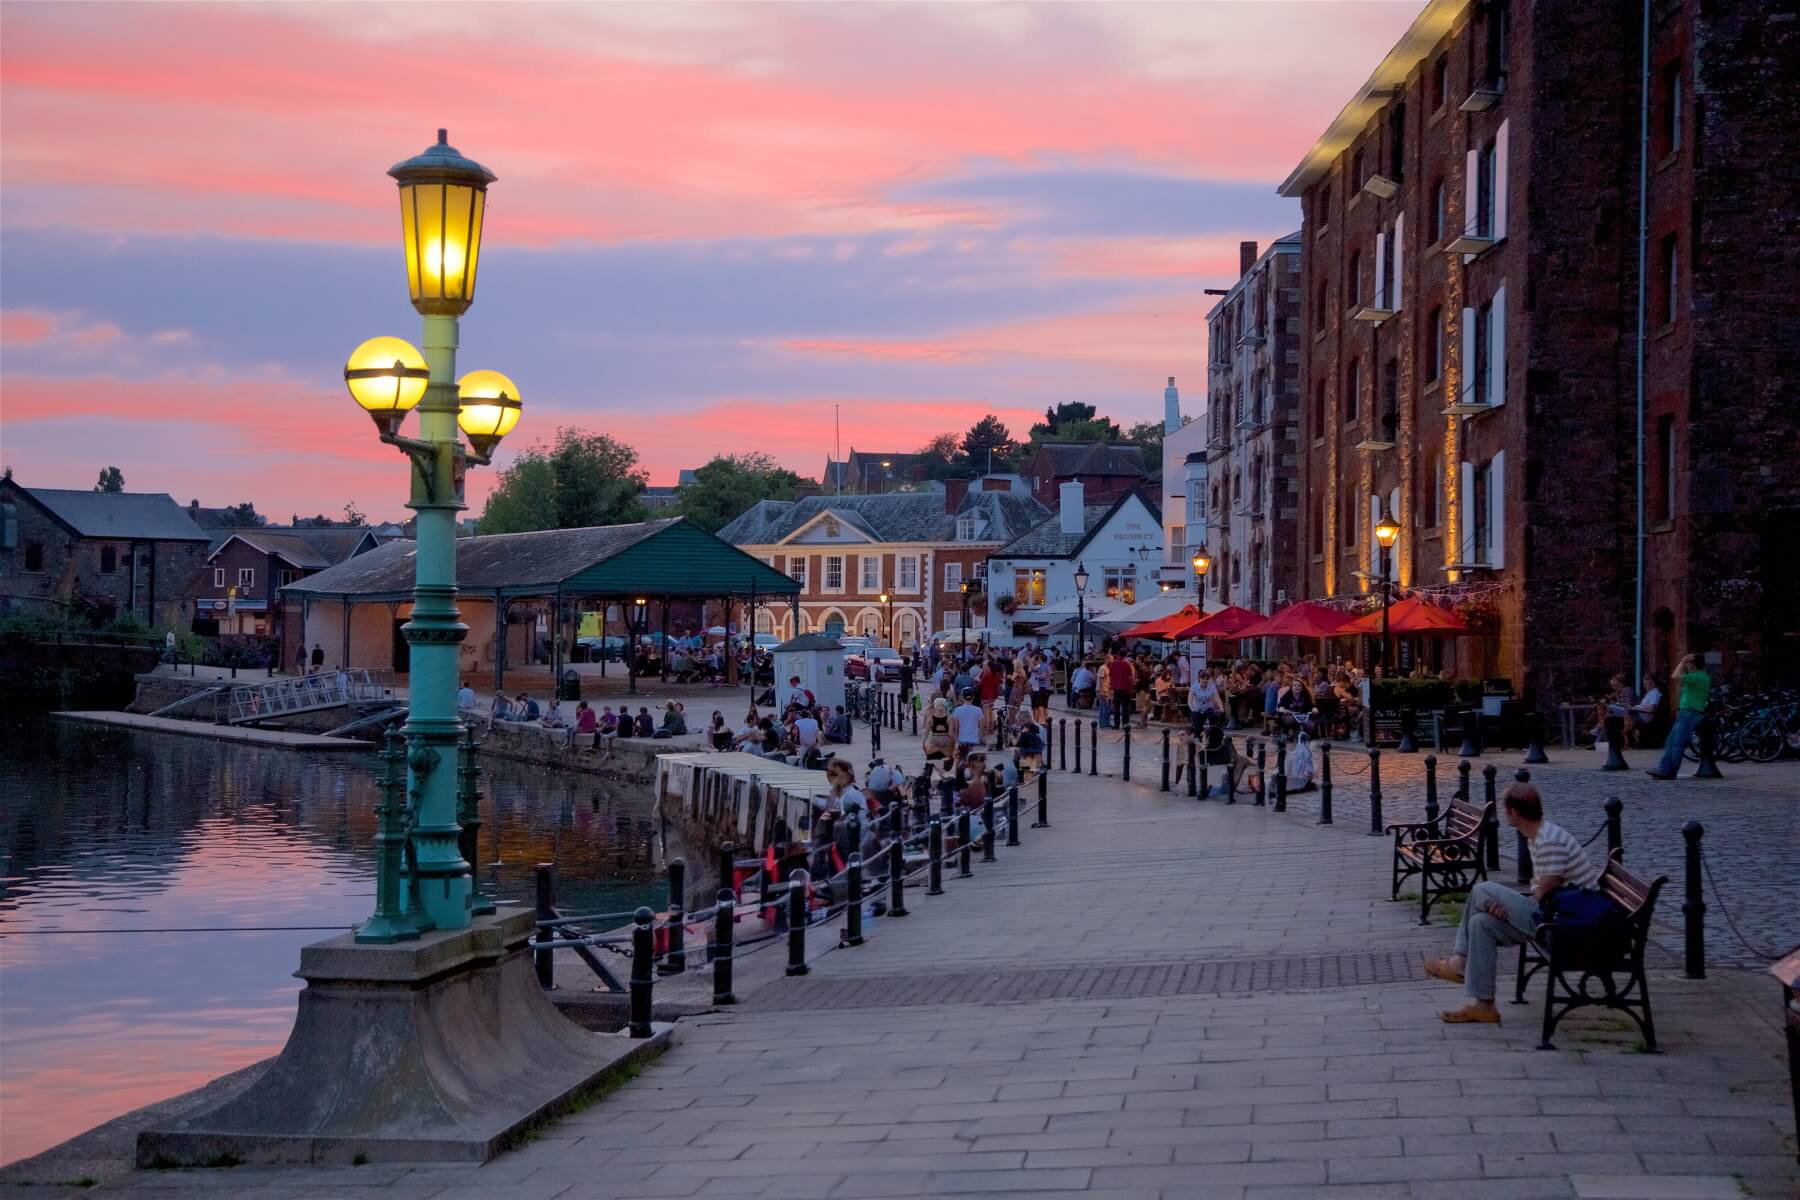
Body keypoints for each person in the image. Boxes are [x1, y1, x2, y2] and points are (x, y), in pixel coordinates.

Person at [1425, 783, 1601, 1025]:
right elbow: (1538, 887)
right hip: (1555, 913)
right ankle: (1484, 1006)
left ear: (1515, 813)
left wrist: (1510, 903)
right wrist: (1502, 907)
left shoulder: (1549, 840)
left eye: (1505, 809)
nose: (1504, 814)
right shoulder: (1537, 836)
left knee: (1481, 889)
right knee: (1481, 923)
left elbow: (1542, 892)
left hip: (1565, 924)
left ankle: (1459, 962)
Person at [1648, 655, 1710, 779]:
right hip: (1686, 712)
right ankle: (1664, 769)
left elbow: (1675, 676)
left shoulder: (1698, 676)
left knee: (1677, 743)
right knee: (1671, 741)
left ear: (1692, 663)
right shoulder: (1698, 677)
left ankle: (1669, 771)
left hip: (1690, 713)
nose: (1686, 665)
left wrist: (1682, 661)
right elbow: (1680, 680)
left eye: (1688, 663)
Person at [951, 689, 984, 762]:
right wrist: (981, 738)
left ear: (963, 698)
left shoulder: (957, 710)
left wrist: (956, 740)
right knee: (974, 762)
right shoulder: (978, 710)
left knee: (962, 760)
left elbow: (956, 728)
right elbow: (981, 727)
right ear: (973, 697)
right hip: (974, 739)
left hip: (962, 739)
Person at [1106, 652, 1136, 729]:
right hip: (1126, 688)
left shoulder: (1113, 663)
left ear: (1119, 655)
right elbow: (1130, 677)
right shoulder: (1127, 664)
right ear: (1125, 656)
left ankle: (1116, 725)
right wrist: (1132, 684)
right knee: (1125, 707)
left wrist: (1111, 685)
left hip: (1116, 688)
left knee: (1116, 707)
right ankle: (1125, 724)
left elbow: (1110, 675)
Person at [923, 697, 953, 762]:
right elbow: (951, 734)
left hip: (933, 742)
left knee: (932, 763)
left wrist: (923, 743)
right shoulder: (949, 718)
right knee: (946, 764)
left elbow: (926, 733)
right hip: (945, 744)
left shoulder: (930, 719)